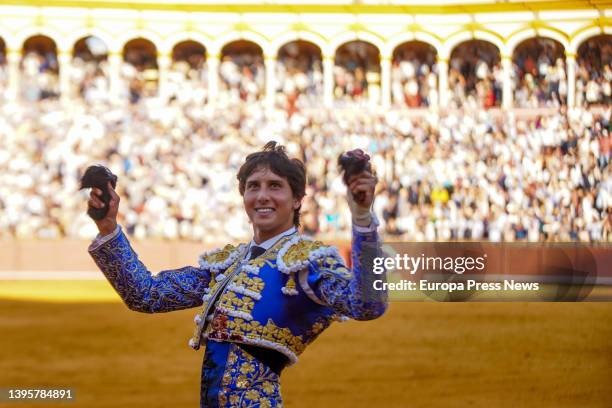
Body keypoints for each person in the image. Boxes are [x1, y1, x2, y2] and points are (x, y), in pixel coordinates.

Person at [87, 141, 388, 407]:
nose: (262, 195)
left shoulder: (307, 262)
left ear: (297, 199)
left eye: (275, 185)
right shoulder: (229, 264)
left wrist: (362, 218)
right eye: (253, 186)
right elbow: (146, 295)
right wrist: (108, 226)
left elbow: (367, 304)